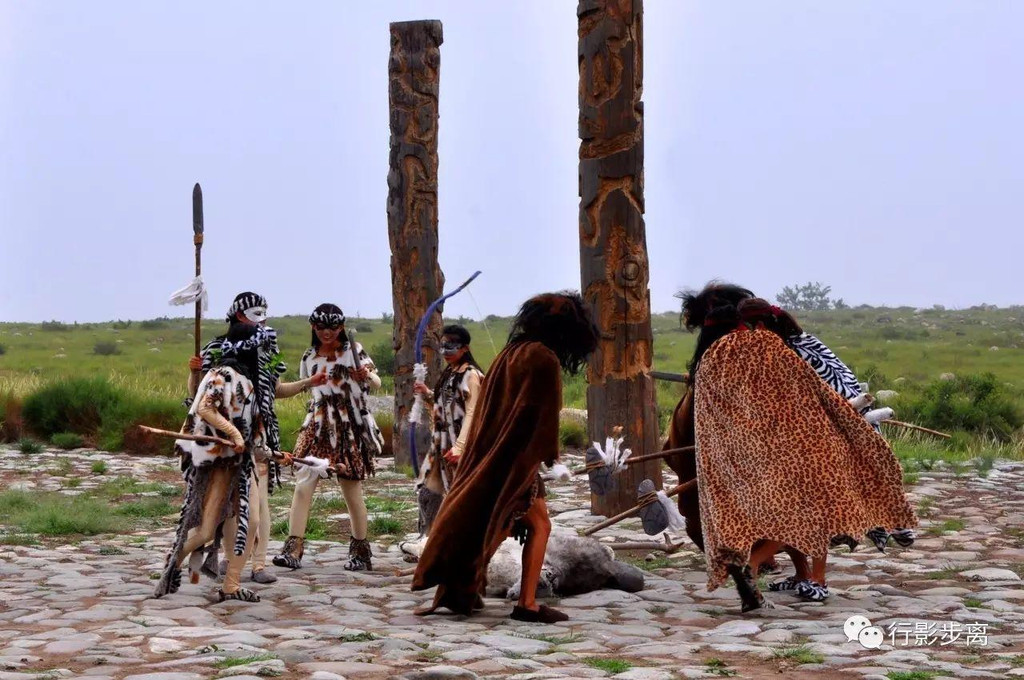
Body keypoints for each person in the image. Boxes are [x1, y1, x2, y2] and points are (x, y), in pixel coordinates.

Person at [680, 287, 917, 610]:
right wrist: (848, 421)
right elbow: (812, 392)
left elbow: (707, 414)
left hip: (735, 453)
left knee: (793, 511)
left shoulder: (712, 357)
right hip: (791, 449)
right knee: (812, 508)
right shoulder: (772, 349)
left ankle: (781, 569)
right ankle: (788, 572)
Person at [411, 292, 599, 623]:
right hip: (515, 461)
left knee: (517, 523)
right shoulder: (543, 358)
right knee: (512, 524)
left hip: (499, 456)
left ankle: (469, 590)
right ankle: (516, 601)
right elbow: (540, 413)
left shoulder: (511, 353)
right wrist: (550, 457)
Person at [186, 292, 325, 585]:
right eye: (255, 313)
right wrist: (193, 372)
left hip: (258, 435)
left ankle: (258, 564)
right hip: (220, 442)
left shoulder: (267, 351)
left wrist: (307, 383)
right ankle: (226, 560)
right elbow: (197, 395)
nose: (263, 318)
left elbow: (275, 390)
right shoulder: (216, 349)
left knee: (258, 506)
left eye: (265, 312)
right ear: (239, 315)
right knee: (228, 508)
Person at [156, 324, 276, 602]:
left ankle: (231, 584)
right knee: (207, 529)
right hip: (219, 463)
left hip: (243, 464)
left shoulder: (251, 383)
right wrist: (233, 433)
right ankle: (174, 560)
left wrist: (264, 450)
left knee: (252, 521)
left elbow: (253, 427)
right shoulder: (221, 375)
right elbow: (205, 408)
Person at [273, 304, 385, 572]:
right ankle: (293, 548)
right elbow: (306, 386)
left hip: (350, 425)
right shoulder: (309, 356)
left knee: (351, 490)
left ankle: (360, 551)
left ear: (342, 327)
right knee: (304, 483)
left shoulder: (353, 351)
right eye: (321, 327)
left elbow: (377, 383)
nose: (327, 332)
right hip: (317, 424)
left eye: (333, 328)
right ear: (313, 327)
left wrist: (365, 375)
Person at [412, 324, 485, 534]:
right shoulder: (451, 372)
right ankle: (427, 541)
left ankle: (465, 543)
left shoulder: (471, 375)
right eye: (443, 345)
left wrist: (461, 447)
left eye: (452, 345)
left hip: (460, 447)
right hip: (441, 446)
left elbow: (473, 412)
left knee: (461, 496)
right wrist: (427, 393)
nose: (446, 351)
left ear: (465, 348)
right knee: (429, 493)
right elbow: (444, 405)